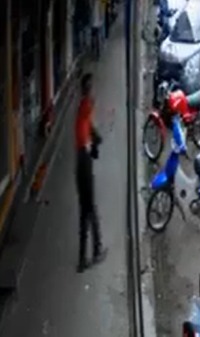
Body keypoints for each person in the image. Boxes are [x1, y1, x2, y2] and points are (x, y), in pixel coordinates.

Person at [75, 73, 107, 273]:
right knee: (88, 212)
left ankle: (90, 253)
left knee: (87, 212)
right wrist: (94, 143)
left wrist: (96, 139)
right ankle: (89, 255)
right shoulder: (85, 108)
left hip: (82, 166)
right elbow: (88, 139)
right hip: (84, 167)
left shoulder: (82, 114)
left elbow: (89, 127)